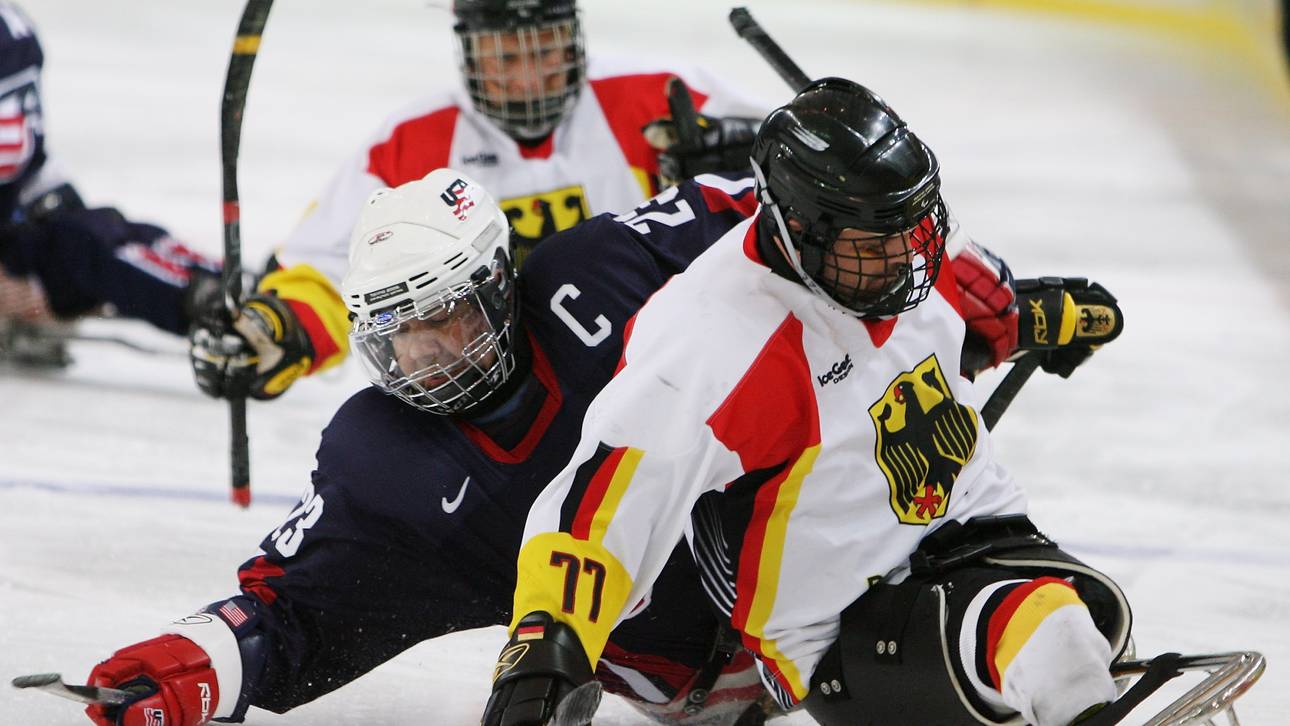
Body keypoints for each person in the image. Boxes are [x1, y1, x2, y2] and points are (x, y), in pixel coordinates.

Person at [483, 78, 1130, 726]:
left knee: (1096, 622)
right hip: (853, 624)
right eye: (874, 244)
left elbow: (956, 318)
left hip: (982, 535)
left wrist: (1024, 318)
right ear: (798, 229)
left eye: (910, 229)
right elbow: (600, 506)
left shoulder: (891, 255)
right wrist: (548, 643)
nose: (904, 257)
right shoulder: (712, 338)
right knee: (1053, 636)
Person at [81, 168, 785, 726]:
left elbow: (768, 212)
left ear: (500, 285)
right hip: (711, 682)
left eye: (442, 314)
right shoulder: (385, 464)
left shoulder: (607, 269)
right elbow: (290, 614)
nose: (421, 352)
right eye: (397, 329)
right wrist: (189, 667)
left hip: (814, 547)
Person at [188, 0, 767, 402]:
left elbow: (804, 178)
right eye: (505, 58)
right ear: (468, 53)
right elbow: (334, 268)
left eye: (545, 51)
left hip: (663, 374)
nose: (529, 79)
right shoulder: (414, 141)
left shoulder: (660, 96)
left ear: (574, 40)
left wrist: (749, 171)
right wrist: (278, 328)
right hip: (489, 393)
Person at [0, 2, 218, 365]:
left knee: (101, 233)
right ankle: (213, 306)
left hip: (22, 218)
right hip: (15, 243)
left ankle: (225, 285)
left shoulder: (11, 29)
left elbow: (26, 153)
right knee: (88, 248)